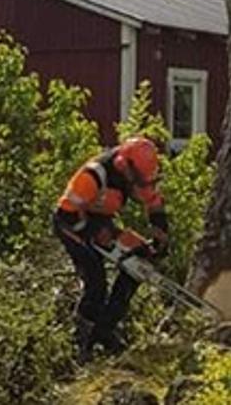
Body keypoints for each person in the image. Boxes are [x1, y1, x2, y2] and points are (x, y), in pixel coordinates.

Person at [55, 135, 169, 359]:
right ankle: (80, 340)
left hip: (101, 220)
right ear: (124, 167)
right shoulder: (93, 175)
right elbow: (65, 214)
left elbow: (153, 200)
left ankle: (105, 330)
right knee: (96, 281)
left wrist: (160, 231)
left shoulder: (138, 174)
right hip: (73, 225)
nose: (140, 187)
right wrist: (93, 233)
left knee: (139, 261)